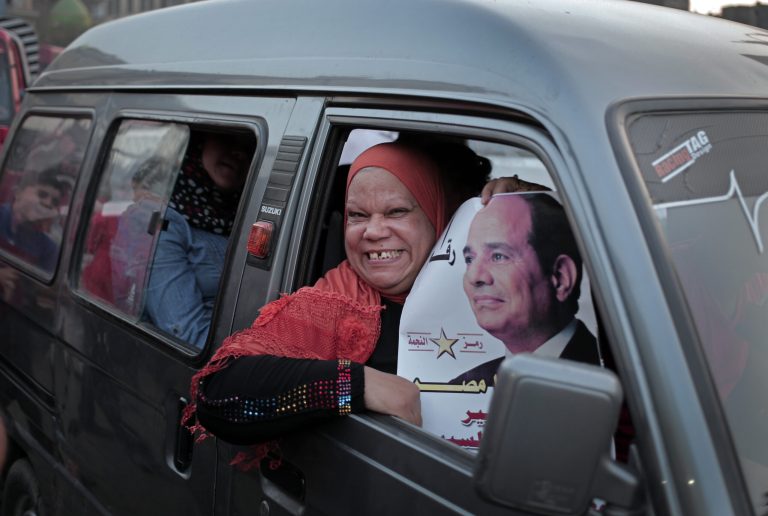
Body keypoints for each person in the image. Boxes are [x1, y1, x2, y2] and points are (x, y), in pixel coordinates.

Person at [187, 142, 526, 461]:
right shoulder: (341, 299)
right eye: (358, 216)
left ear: (438, 216)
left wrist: (538, 209)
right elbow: (219, 397)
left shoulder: (500, 280)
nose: (374, 231)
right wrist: (358, 386)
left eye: (396, 211)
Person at [454, 193, 601, 386]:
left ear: (560, 276)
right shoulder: (464, 385)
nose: (474, 277)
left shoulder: (615, 378)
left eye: (498, 256)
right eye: (469, 259)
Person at [143, 133, 253, 348]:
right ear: (198, 142)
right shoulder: (162, 218)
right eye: (228, 137)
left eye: (250, 145)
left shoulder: (249, 211)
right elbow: (184, 334)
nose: (238, 152)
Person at [0, 167, 68, 272]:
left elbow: (40, 287)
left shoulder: (48, 248)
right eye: (42, 194)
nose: (48, 204)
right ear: (18, 193)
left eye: (54, 202)